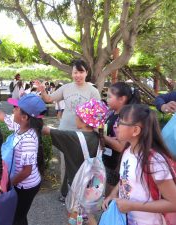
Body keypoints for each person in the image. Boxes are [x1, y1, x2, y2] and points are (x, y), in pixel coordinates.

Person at [0, 92, 46, 225]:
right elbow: (0, 115)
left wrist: (7, 184)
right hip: (19, 182)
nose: (13, 110)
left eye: (16, 109)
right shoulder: (20, 126)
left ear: (24, 117)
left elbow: (26, 171)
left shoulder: (29, 139)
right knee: (17, 214)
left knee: (16, 216)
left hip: (26, 186)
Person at [35, 59, 101, 200]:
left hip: (83, 136)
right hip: (65, 131)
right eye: (75, 72)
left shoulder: (93, 91)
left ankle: (81, 193)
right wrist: (42, 90)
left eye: (81, 72)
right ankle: (66, 193)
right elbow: (49, 99)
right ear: (71, 73)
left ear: (87, 73)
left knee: (81, 165)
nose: (78, 75)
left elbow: (97, 115)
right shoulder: (66, 88)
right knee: (65, 163)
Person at [102, 104, 176, 225]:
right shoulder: (127, 151)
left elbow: (173, 203)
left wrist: (132, 206)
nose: (116, 126)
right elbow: (125, 179)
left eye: (120, 122)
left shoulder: (154, 161)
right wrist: (113, 195)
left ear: (136, 130)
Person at [43, 98, 109, 225]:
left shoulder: (73, 138)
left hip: (76, 187)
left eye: (77, 115)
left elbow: (45, 130)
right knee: (88, 215)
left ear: (84, 120)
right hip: (92, 187)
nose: (75, 117)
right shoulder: (98, 137)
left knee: (74, 218)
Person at [103, 82, 141, 195]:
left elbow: (121, 146)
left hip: (117, 164)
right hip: (109, 161)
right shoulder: (111, 113)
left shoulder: (125, 119)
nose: (107, 99)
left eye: (110, 96)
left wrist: (102, 136)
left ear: (122, 99)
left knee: (113, 197)